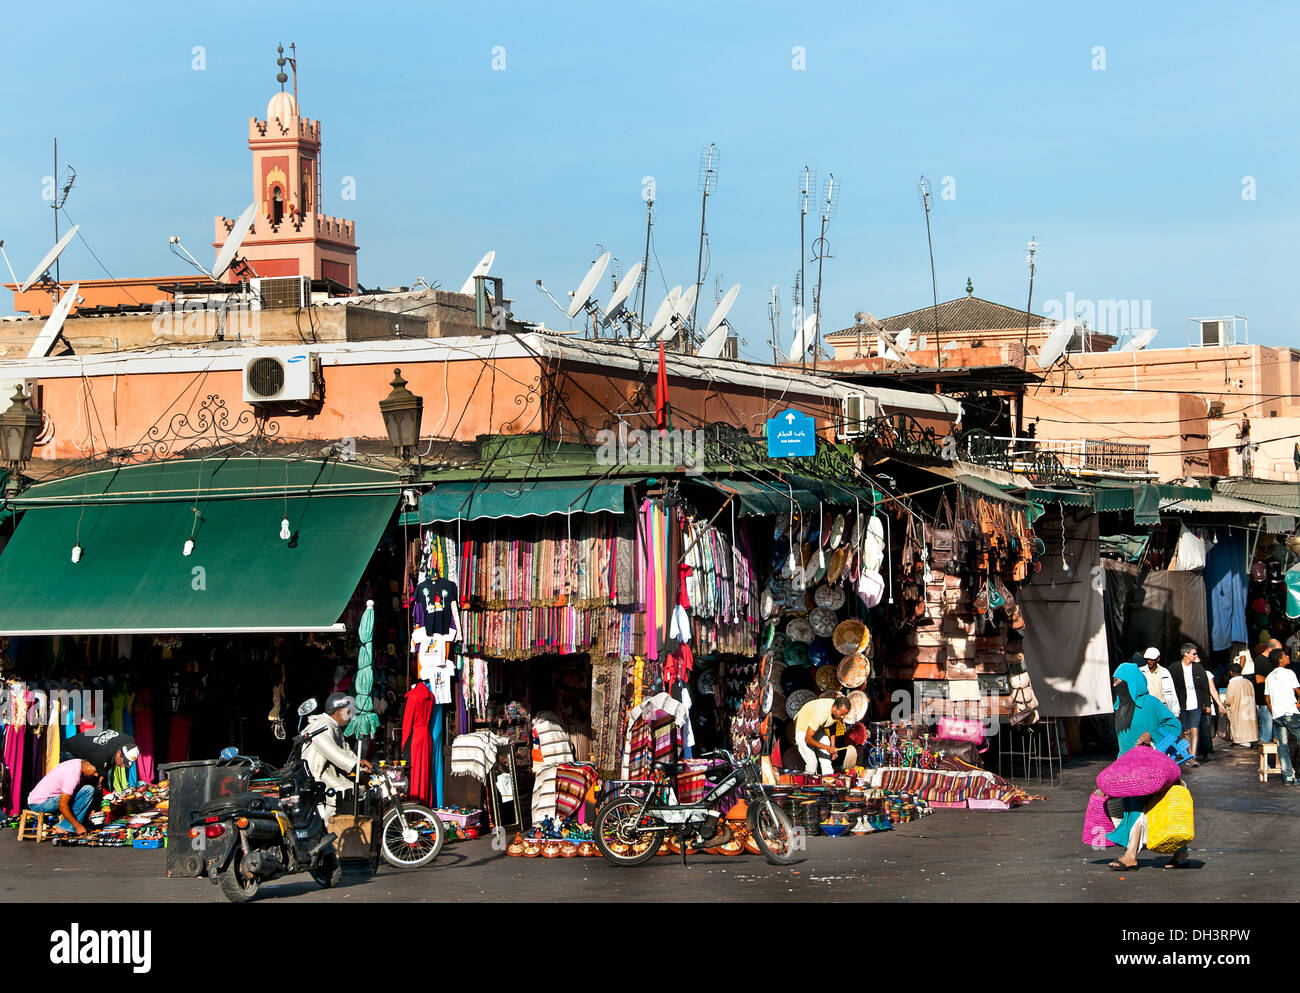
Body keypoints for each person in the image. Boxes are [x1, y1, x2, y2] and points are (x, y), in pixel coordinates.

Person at [1104, 662, 1191, 870]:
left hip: (1151, 767)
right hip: (1128, 768)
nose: (1115, 685)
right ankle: (1180, 852)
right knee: (1144, 807)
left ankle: (1130, 855)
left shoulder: (1151, 704)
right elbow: (1123, 745)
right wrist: (1114, 773)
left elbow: (1174, 724)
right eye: (1114, 681)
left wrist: (1151, 734)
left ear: (1131, 683)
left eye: (1118, 681)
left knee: (1136, 806)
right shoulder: (1122, 709)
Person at [302, 693, 371, 816]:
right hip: (315, 777)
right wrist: (354, 764)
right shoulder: (321, 725)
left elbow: (345, 750)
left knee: (359, 789)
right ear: (337, 711)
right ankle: (331, 828)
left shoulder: (334, 727)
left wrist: (359, 762)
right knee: (345, 791)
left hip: (328, 774)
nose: (350, 715)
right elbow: (332, 751)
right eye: (348, 711)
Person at [27, 758, 99, 836]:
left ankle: (69, 826)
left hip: (39, 800)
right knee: (88, 790)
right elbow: (62, 805)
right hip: (40, 804)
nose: (96, 775)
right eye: (94, 771)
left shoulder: (78, 763)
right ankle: (66, 827)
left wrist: (89, 809)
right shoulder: (73, 774)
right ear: (87, 765)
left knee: (83, 790)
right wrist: (77, 826)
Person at [1170, 642, 1211, 766]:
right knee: (1186, 731)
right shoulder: (1174, 668)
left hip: (1195, 704)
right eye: (1193, 653)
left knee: (1195, 729)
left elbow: (1205, 687)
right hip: (1182, 704)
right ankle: (1188, 755)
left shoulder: (1198, 668)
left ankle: (1193, 756)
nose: (1195, 656)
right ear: (1186, 654)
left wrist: (1207, 704)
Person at [1264, 649, 1300, 785]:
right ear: (1280, 659)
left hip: (1278, 715)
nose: (1288, 656)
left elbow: (1267, 699)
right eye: (1285, 655)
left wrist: (1274, 712)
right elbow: (1298, 691)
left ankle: (1288, 777)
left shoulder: (1269, 677)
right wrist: (1297, 703)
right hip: (1290, 713)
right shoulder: (1289, 673)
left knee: (1283, 746)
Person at [794, 695, 851, 775]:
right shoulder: (821, 714)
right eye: (842, 714)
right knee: (812, 763)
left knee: (826, 758)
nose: (843, 717)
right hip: (803, 728)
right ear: (834, 708)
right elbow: (808, 739)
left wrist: (832, 746)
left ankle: (829, 780)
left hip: (817, 727)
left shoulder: (835, 710)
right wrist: (828, 748)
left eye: (845, 714)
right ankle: (810, 783)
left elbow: (832, 725)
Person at [62, 729, 139, 787]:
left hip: (90, 743)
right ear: (119, 752)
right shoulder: (101, 755)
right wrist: (99, 780)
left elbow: (110, 761)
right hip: (71, 750)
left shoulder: (130, 741)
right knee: (79, 785)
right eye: (123, 762)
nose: (122, 766)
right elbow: (97, 772)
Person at [1250, 639, 1281, 745]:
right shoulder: (1260, 660)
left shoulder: (1274, 661)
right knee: (1267, 729)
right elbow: (1258, 679)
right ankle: (1265, 751)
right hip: (1264, 700)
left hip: (1276, 699)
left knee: (1277, 728)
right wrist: (1274, 679)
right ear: (1270, 649)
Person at [1224, 663, 1259, 746]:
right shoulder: (1248, 682)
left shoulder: (1232, 684)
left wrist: (1224, 702)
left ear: (1231, 672)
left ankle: (1242, 742)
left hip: (1238, 710)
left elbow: (1229, 700)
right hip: (1249, 710)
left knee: (1240, 728)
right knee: (1249, 727)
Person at [1141, 648, 1179, 716]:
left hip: (1162, 706)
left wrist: (1176, 713)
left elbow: (1172, 692)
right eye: (1147, 659)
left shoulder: (1165, 672)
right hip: (1147, 707)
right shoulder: (1141, 672)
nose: (1149, 661)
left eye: (1152, 659)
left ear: (1158, 659)